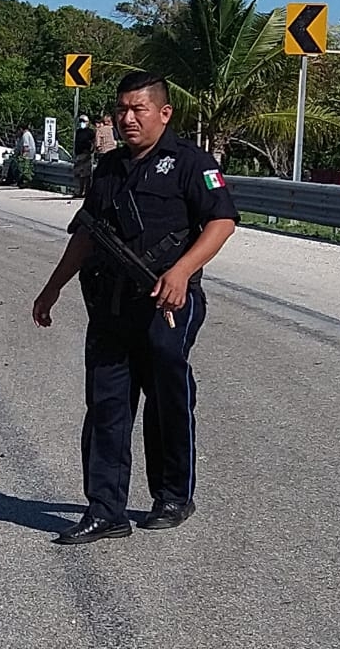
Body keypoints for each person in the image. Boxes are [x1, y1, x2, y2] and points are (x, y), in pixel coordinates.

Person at [32, 71, 239, 545]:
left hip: (167, 305)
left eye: (137, 109)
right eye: (121, 109)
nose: (127, 118)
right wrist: (52, 289)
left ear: (164, 113)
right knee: (105, 407)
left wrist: (183, 270)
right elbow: (86, 233)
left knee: (167, 401)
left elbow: (222, 222)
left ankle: (172, 496)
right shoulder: (108, 169)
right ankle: (106, 510)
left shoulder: (191, 163)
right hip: (110, 306)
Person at [72, 115, 94, 198]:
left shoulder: (90, 132)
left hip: (86, 155)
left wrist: (90, 151)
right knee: (78, 174)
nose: (82, 123)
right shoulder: (78, 132)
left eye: (84, 121)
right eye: (80, 121)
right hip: (78, 154)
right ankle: (79, 191)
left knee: (86, 174)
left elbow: (93, 142)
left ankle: (86, 192)